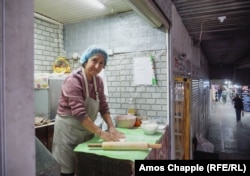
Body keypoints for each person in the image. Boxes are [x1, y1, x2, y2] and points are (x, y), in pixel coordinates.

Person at [52, 45, 125, 176]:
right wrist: (102, 133)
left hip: (87, 130)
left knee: (86, 167)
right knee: (67, 170)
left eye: (102, 63)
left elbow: (103, 107)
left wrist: (111, 127)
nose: (97, 66)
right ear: (85, 60)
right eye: (94, 61)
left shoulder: (99, 81)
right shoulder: (73, 80)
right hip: (68, 132)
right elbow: (79, 113)